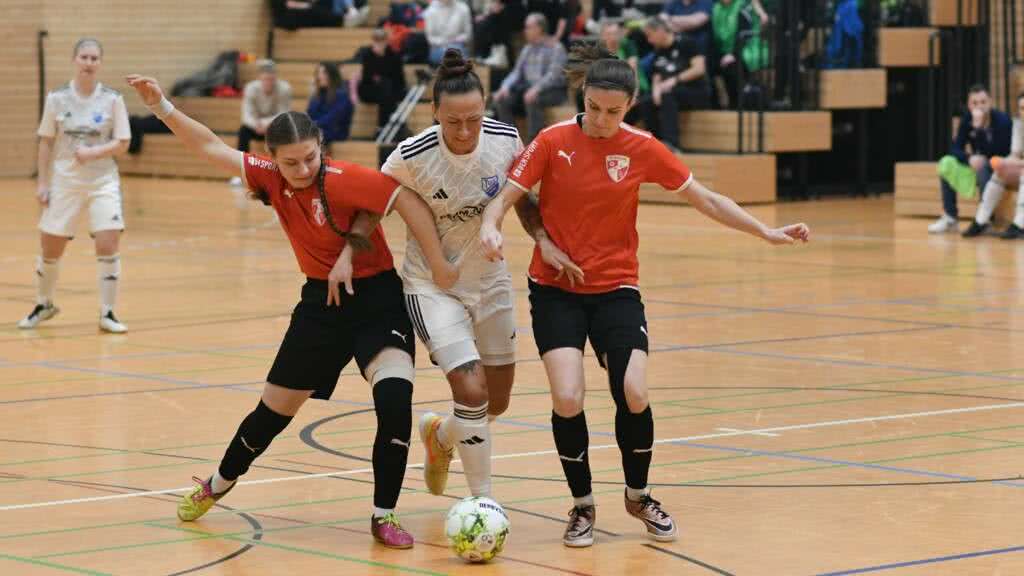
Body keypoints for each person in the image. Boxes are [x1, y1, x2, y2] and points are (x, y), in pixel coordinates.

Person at [478, 43, 810, 547]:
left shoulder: (642, 147)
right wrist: (490, 227)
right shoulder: (552, 140)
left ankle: (639, 495)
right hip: (556, 288)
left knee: (634, 391)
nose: (602, 119)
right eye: (593, 108)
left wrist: (764, 232)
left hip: (616, 288)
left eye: (613, 111)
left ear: (630, 105)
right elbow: (505, 197)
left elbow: (706, 199)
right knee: (567, 397)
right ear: (582, 97)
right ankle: (583, 506)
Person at [126, 73, 456, 549]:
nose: (302, 170)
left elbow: (400, 199)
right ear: (272, 159)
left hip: (378, 301)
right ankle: (217, 484)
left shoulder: (345, 178)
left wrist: (439, 264)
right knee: (271, 414)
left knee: (394, 402)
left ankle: (384, 514)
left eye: (310, 158)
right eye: (290, 163)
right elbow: (211, 148)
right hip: (321, 305)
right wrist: (162, 107)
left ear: (321, 146)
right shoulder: (266, 175)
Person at [369, 49, 523, 500]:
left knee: (496, 402)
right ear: (434, 112)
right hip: (433, 286)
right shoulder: (410, 156)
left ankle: (439, 437)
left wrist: (545, 239)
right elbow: (376, 200)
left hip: (490, 280)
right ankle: (483, 503)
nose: (465, 131)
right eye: (453, 121)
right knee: (471, 392)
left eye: (474, 119)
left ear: (485, 109)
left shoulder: (506, 140)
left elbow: (525, 196)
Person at [20, 38, 131, 333]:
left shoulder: (112, 98)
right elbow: (46, 141)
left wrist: (94, 153)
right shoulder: (57, 98)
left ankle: (108, 312)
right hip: (66, 182)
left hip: (102, 181)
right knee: (50, 247)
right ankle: (44, 304)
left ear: (100, 63)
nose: (89, 63)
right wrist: (43, 182)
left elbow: (123, 143)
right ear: (74, 60)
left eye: (95, 58)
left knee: (108, 242)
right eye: (84, 57)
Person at [929, 85, 1013, 234]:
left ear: (990, 102)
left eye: (983, 102)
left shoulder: (1002, 121)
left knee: (985, 167)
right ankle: (950, 217)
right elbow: (955, 148)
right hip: (977, 164)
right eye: (974, 103)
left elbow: (1001, 152)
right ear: (969, 105)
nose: (979, 106)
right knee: (947, 163)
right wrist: (968, 158)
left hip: (1000, 166)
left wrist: (979, 130)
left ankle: (985, 219)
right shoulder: (967, 119)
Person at [493, 12, 568, 142]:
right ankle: (510, 140)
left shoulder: (556, 47)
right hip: (529, 89)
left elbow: (553, 75)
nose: (525, 30)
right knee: (502, 99)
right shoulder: (527, 49)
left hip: (554, 91)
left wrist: (536, 89)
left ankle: (534, 143)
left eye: (528, 27)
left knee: (533, 99)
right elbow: (516, 72)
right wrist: (504, 87)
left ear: (539, 29)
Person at [641, 17, 709, 151]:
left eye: (650, 35)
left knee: (667, 95)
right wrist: (656, 92)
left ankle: (671, 144)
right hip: (672, 93)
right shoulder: (658, 52)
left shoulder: (687, 43)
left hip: (695, 91)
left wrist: (675, 80)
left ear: (660, 31)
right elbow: (657, 77)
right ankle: (655, 143)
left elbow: (699, 69)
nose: (648, 40)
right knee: (647, 102)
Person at [966, 92, 1024, 239]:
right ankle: (981, 220)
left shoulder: (1002, 121)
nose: (1023, 112)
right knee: (999, 173)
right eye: (1021, 108)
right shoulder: (1018, 124)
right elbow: (1015, 153)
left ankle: (1020, 224)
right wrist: (1003, 163)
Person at [230, 60, 292, 186]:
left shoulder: (284, 88)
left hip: (274, 126)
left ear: (275, 78)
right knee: (243, 131)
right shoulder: (251, 88)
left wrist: (266, 123)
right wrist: (256, 125)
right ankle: (240, 173)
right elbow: (246, 114)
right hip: (256, 126)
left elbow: (283, 113)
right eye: (265, 79)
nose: (268, 82)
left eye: (271, 79)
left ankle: (283, 171)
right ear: (260, 78)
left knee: (286, 131)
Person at [350, 28, 408, 137]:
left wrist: (380, 78)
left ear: (386, 41)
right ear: (372, 41)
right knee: (385, 90)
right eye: (376, 41)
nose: (379, 44)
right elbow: (367, 78)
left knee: (386, 91)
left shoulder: (394, 56)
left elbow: (399, 79)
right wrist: (380, 78)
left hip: (390, 89)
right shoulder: (367, 55)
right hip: (370, 89)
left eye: (381, 41)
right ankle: (391, 126)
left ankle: (381, 128)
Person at [307, 62, 353, 145]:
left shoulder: (342, 94)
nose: (319, 76)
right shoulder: (318, 94)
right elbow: (310, 113)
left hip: (336, 132)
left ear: (332, 75)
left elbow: (333, 118)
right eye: (318, 73)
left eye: (324, 73)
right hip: (319, 130)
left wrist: (313, 125)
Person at [423, 0, 473, 66]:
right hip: (438, 47)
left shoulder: (463, 8)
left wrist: (455, 41)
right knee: (447, 56)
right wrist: (444, 42)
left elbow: (467, 34)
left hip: (458, 46)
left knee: (456, 54)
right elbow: (430, 38)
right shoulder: (430, 11)